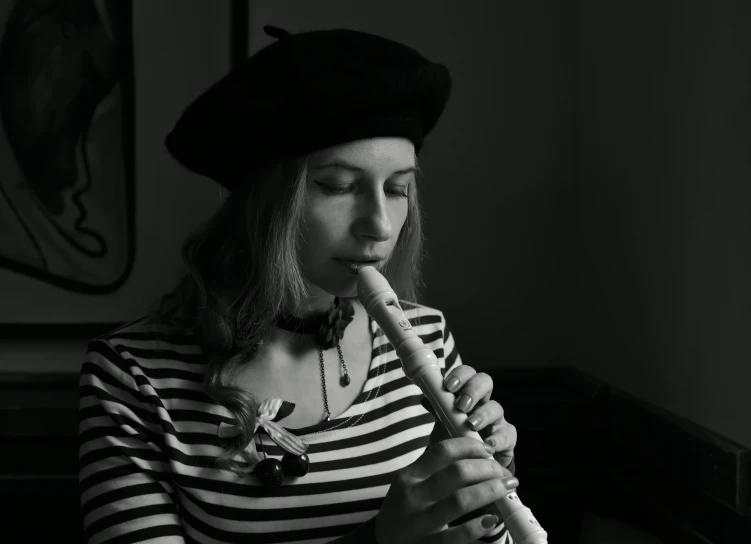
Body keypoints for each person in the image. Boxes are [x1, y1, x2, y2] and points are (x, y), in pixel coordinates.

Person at [78, 25, 520, 544]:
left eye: (399, 188)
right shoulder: (132, 376)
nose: (379, 224)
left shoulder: (427, 336)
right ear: (262, 199)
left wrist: (479, 500)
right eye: (339, 186)